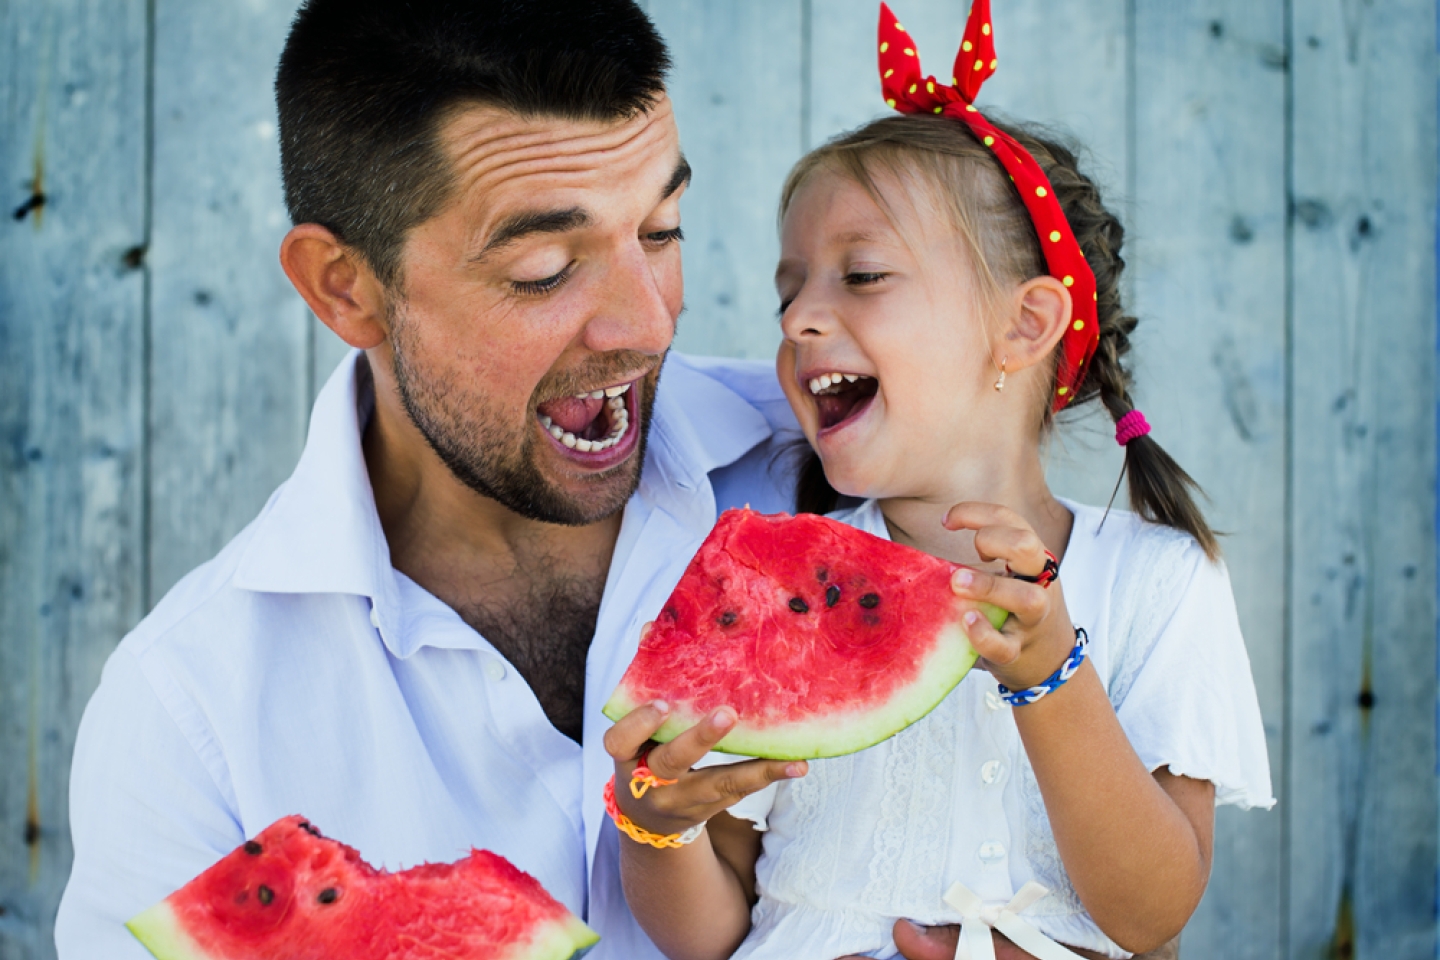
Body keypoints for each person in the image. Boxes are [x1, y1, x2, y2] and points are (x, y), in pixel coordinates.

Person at [55, 2, 802, 957]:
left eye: (660, 230)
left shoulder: (840, 471)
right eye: (542, 269)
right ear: (344, 287)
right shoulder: (188, 714)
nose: (647, 323)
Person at [600, 4, 1274, 959]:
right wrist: (653, 826)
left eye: (861, 276)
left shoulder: (1160, 583)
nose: (799, 320)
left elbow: (1153, 909)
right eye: (790, 289)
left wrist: (1052, 676)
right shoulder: (765, 580)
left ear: (1026, 325)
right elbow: (711, 932)